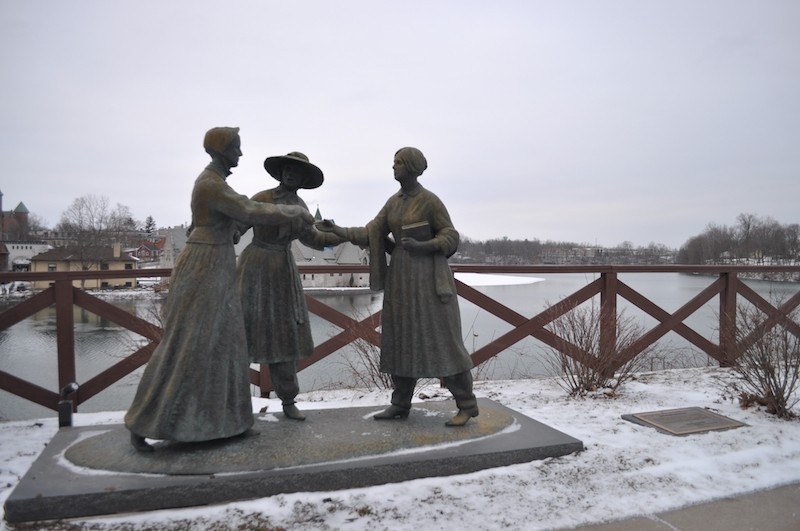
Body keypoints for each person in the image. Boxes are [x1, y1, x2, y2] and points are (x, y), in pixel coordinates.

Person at [124, 127, 315, 452]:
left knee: (226, 344)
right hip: (205, 266)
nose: (240, 154)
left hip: (220, 264)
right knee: (186, 343)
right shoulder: (211, 184)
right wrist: (294, 212)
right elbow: (249, 212)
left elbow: (237, 223)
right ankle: (145, 422)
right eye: (236, 148)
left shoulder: (217, 184)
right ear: (222, 149)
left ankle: (231, 422)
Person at [316, 147, 478, 426]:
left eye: (399, 163)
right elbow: (371, 232)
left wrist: (423, 245)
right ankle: (400, 404)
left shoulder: (429, 201)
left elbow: (450, 237)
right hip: (402, 280)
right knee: (401, 339)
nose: (394, 167)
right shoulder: (393, 203)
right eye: (394, 162)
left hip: (429, 278)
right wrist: (337, 230)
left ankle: (467, 404)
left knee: (443, 341)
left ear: (412, 167)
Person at [236, 152, 345, 420]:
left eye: (296, 171)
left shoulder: (301, 206)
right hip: (255, 268)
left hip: (283, 272)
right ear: (280, 172)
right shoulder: (262, 198)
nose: (290, 174)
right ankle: (234, 401)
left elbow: (312, 239)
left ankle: (288, 399)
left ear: (303, 179)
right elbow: (238, 225)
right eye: (286, 169)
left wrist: (340, 235)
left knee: (285, 335)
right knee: (241, 330)